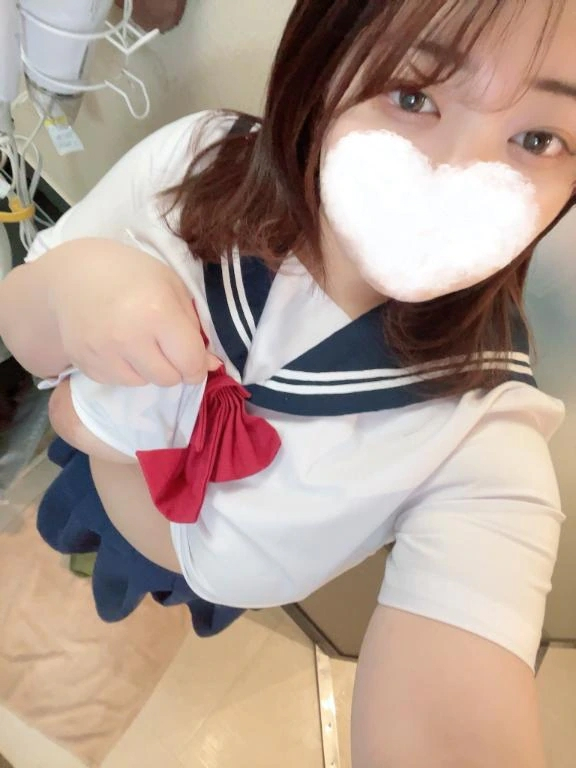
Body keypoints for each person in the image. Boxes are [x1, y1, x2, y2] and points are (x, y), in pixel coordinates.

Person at [1, 0, 576, 764]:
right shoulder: (197, 163)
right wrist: (76, 284)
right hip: (81, 490)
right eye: (414, 95)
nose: (459, 177)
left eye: (538, 139)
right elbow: (22, 319)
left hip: (187, 579)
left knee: (117, 660)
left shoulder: (485, 437)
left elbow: (454, 711)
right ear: (327, 58)